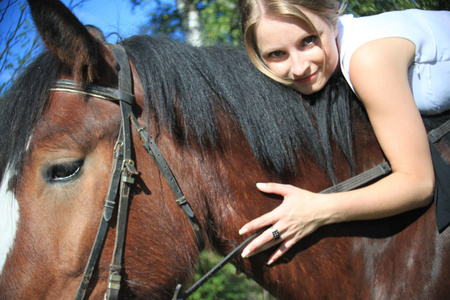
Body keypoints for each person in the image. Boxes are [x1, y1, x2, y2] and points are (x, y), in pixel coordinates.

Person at [238, 0, 450, 265]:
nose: (300, 67)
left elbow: (418, 184)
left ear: (331, 17)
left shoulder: (368, 59)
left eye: (309, 41)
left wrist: (314, 210)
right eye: (277, 54)